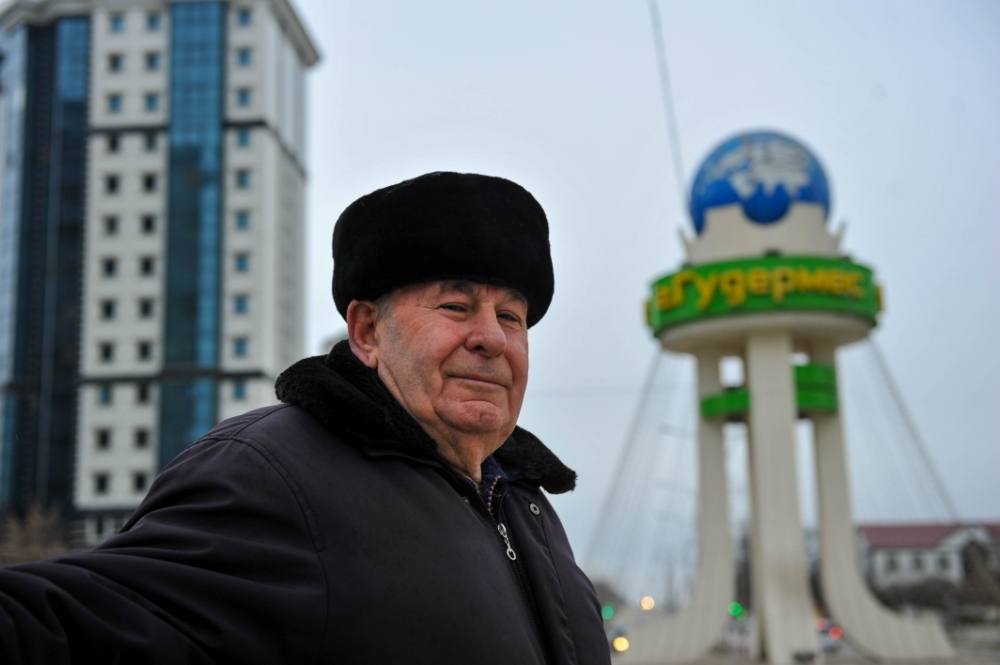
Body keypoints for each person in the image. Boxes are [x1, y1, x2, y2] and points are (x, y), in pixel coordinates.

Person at [0, 172, 611, 664]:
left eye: (511, 317)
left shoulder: (525, 504)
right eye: (456, 305)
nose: (492, 338)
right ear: (367, 332)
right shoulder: (271, 474)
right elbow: (73, 628)